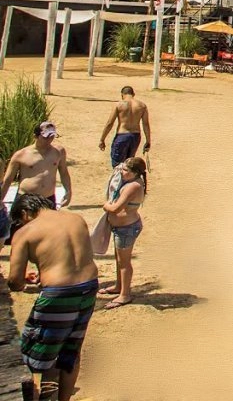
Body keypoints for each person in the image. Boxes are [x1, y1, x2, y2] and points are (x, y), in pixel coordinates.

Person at [8, 193, 99, 401]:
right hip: (88, 288)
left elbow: (15, 281)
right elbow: (72, 258)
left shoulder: (26, 232)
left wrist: (23, 279)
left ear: (24, 213)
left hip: (58, 294)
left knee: (40, 354)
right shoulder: (75, 219)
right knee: (71, 350)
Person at [1, 122, 73, 232]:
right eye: (46, 137)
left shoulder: (59, 152)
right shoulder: (21, 155)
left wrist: (68, 191)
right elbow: (8, 180)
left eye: (52, 136)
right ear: (35, 136)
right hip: (26, 200)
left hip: (47, 199)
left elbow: (64, 173)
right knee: (20, 234)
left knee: (48, 234)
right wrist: (0, 199)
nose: (50, 140)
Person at [99, 157, 147, 310]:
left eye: (126, 170)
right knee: (119, 259)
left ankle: (125, 294)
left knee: (124, 263)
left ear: (135, 173)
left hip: (127, 228)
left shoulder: (133, 186)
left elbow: (115, 209)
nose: (122, 172)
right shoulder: (129, 182)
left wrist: (106, 205)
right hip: (121, 228)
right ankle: (119, 286)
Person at [98, 86, 151, 168]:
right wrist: (148, 141)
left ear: (122, 95)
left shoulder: (118, 105)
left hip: (122, 135)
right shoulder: (142, 105)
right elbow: (146, 124)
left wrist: (102, 139)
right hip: (135, 136)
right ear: (133, 94)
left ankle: (120, 180)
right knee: (129, 164)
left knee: (117, 165)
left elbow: (110, 123)